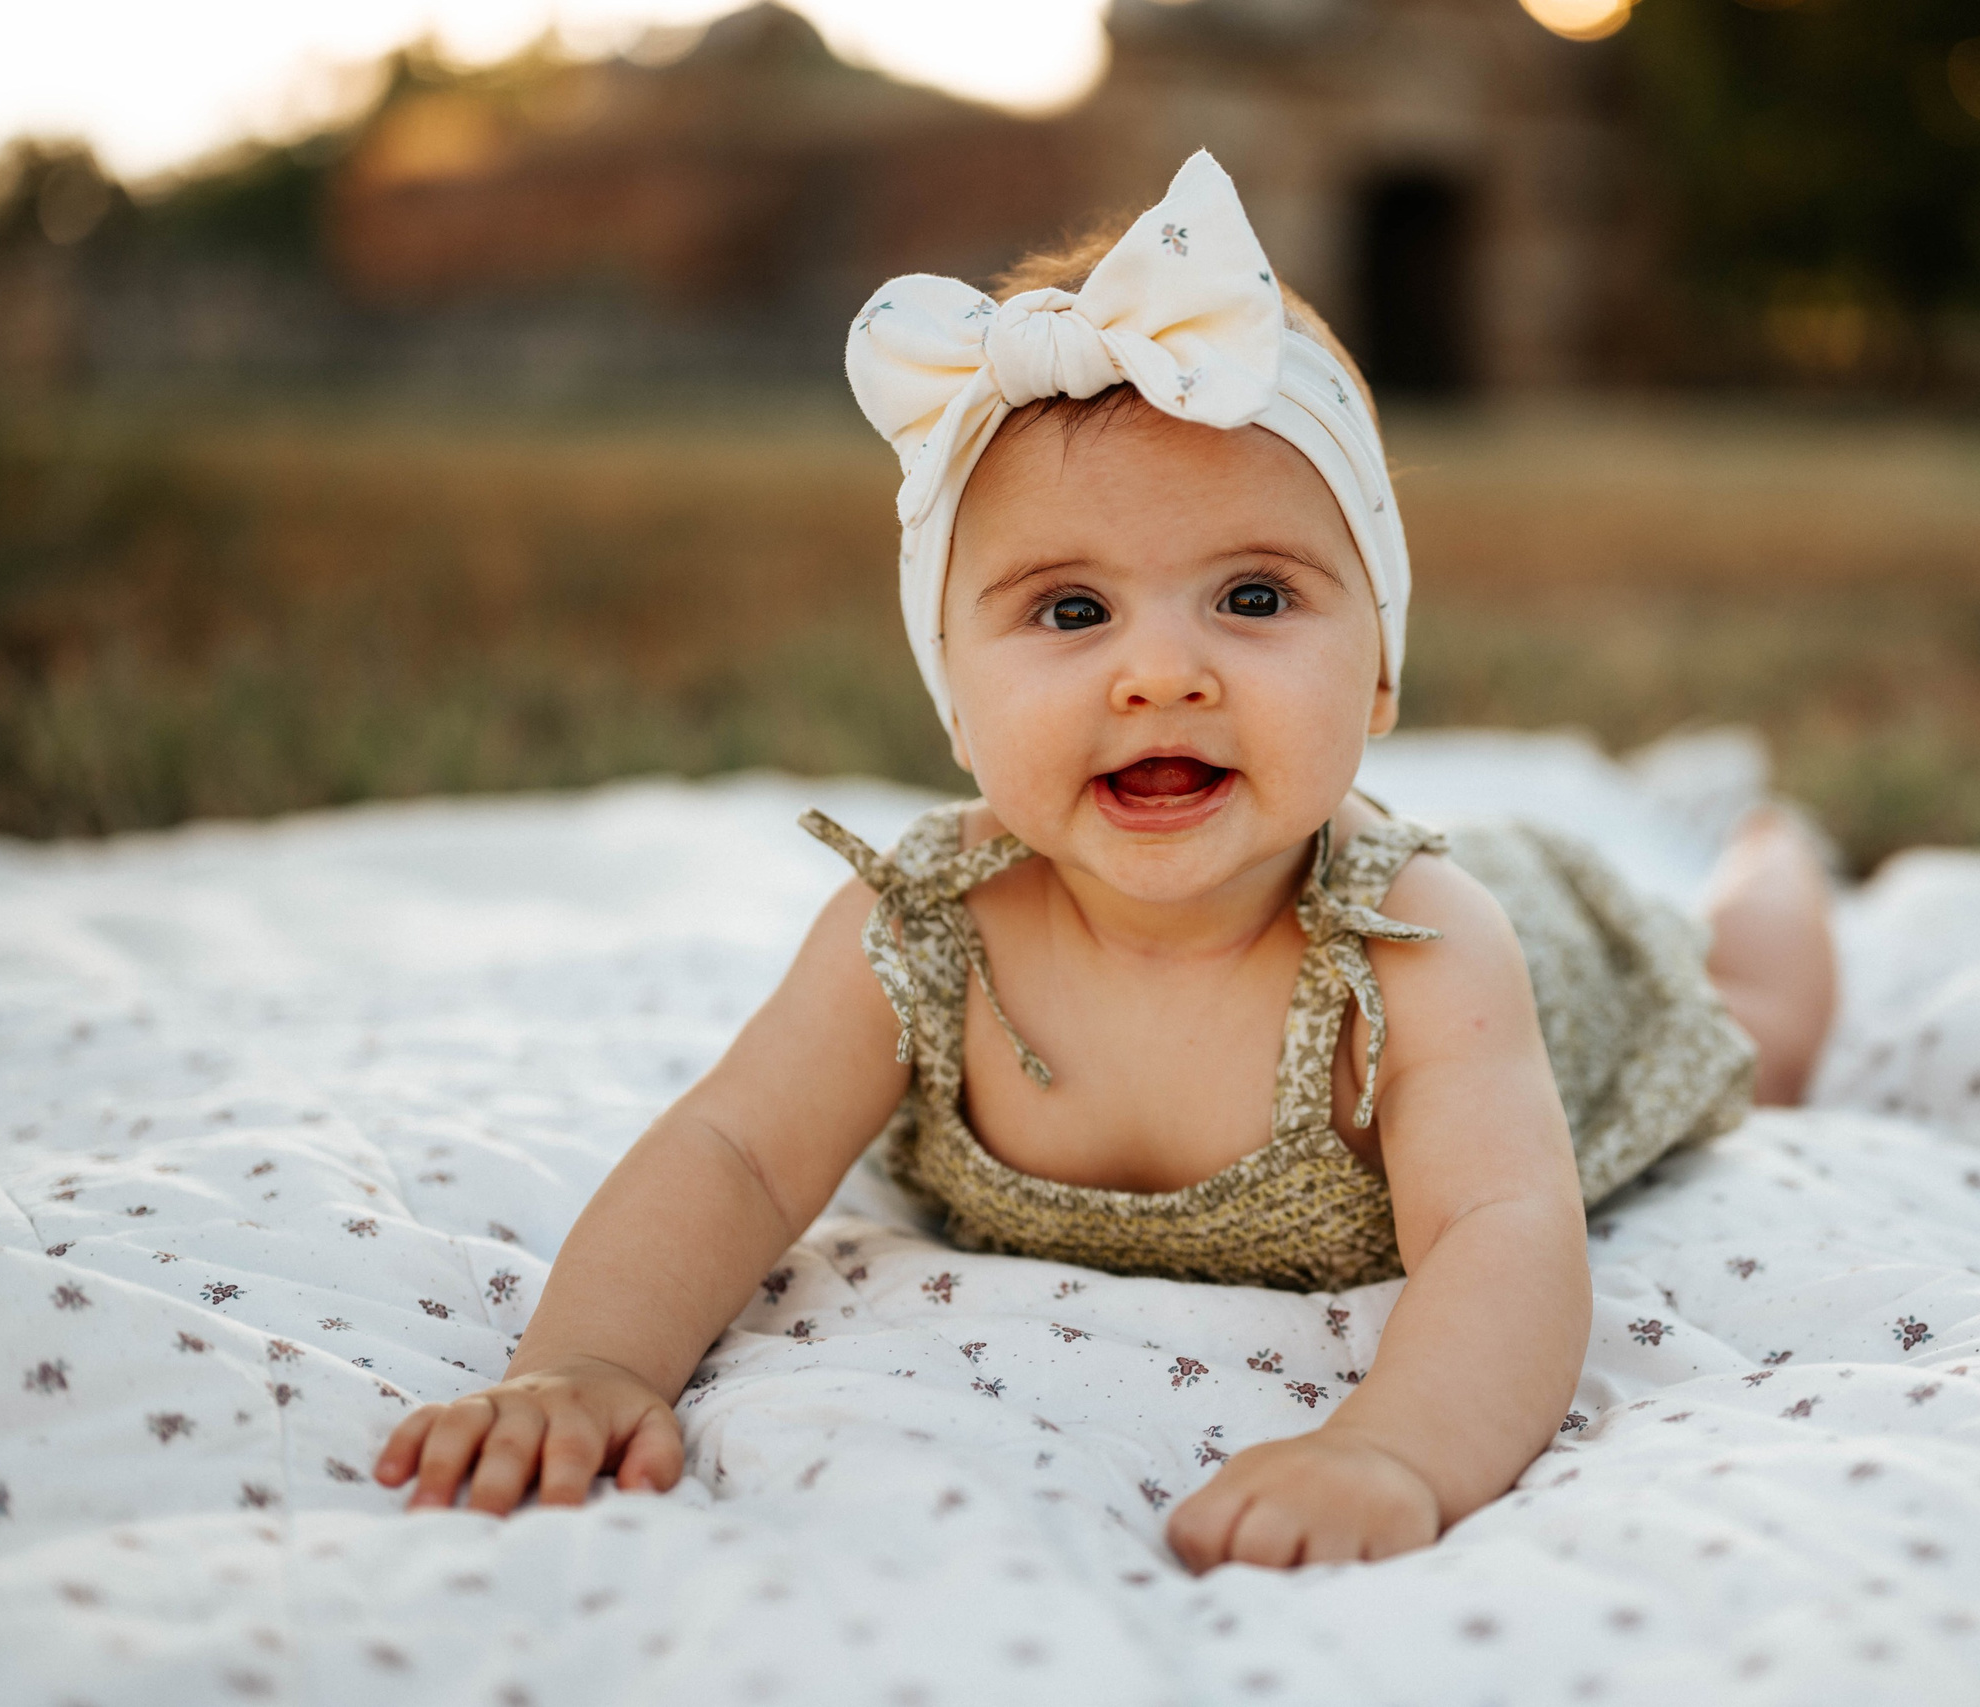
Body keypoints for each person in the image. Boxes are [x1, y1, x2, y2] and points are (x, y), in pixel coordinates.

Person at [374, 153, 1836, 1569]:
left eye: (1252, 596)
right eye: (1070, 613)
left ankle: (1771, 865)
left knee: (1753, 1041)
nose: (1160, 674)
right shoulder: (919, 933)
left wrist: (1391, 1449)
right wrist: (587, 1363)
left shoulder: (1420, 950)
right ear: (954, 698)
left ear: (1379, 677)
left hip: (1557, 989)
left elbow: (1503, 1236)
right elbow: (736, 1153)